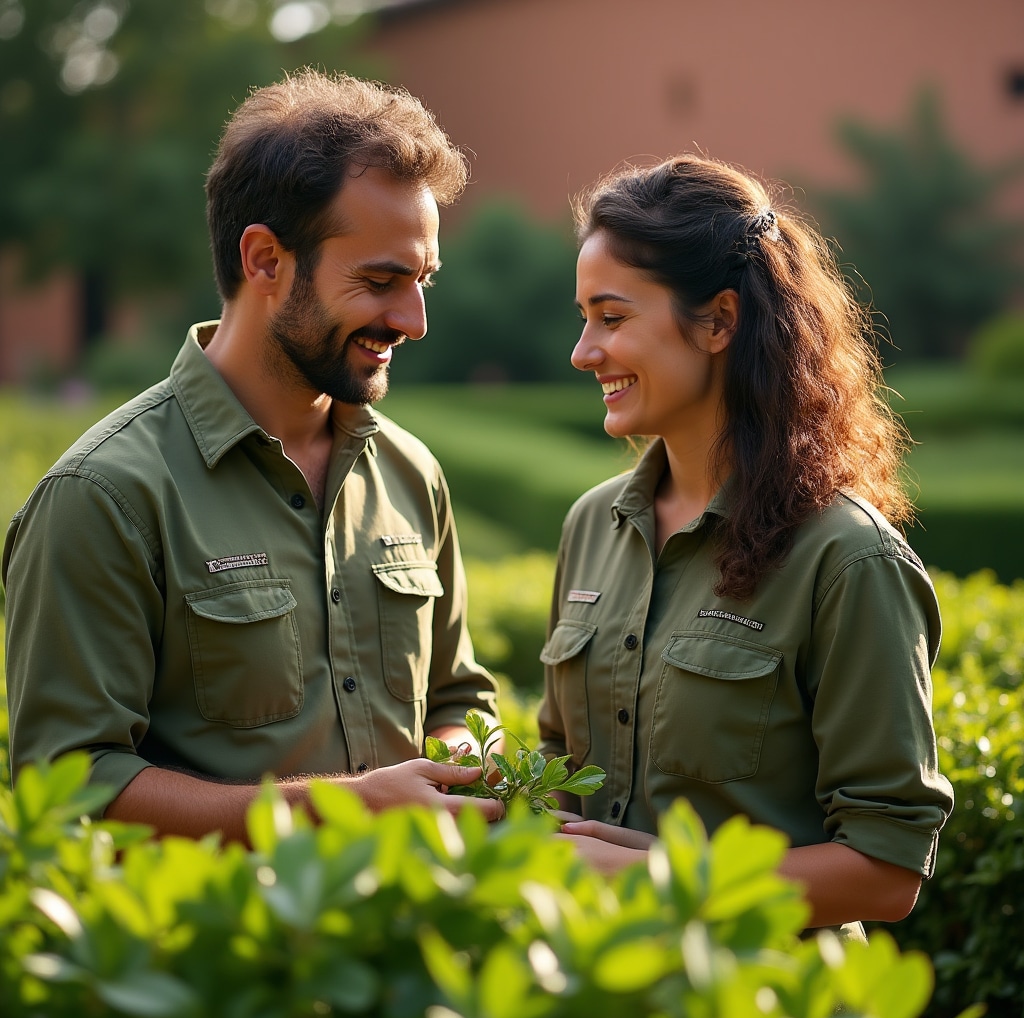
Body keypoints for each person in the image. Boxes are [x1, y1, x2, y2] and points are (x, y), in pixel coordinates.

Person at [2, 69, 503, 841]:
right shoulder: (102, 497)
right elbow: (67, 785)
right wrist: (339, 808)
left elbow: (458, 698)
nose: (414, 319)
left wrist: (458, 755)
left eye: (423, 280)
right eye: (380, 280)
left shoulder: (412, 475)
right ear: (265, 260)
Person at [538, 154, 954, 934]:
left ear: (720, 321)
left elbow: (886, 872)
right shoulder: (593, 525)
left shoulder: (848, 559)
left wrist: (665, 880)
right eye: (584, 317)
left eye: (612, 318)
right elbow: (560, 772)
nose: (583, 351)